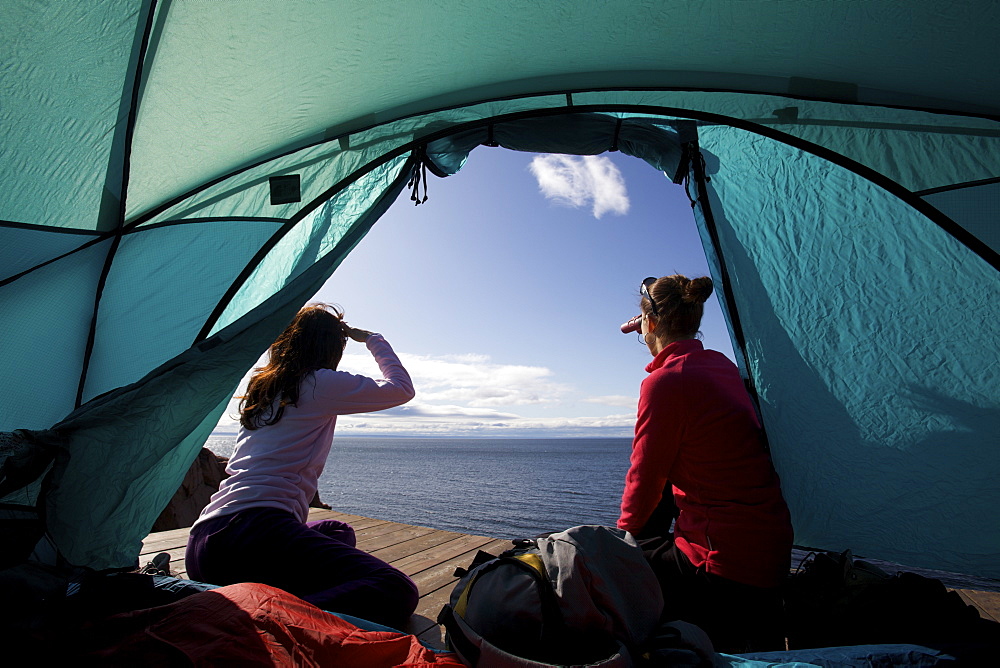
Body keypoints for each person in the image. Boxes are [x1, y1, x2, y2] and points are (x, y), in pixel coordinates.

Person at [185, 303, 418, 628]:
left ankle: (267, 595)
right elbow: (402, 389)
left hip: (205, 544)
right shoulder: (319, 383)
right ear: (330, 347)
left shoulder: (264, 386)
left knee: (337, 531)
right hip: (253, 535)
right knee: (396, 589)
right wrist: (372, 339)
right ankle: (261, 619)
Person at [617, 275, 793, 653]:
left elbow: (643, 478)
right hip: (770, 553)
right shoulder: (722, 367)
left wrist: (617, 545)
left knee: (620, 569)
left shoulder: (665, 382)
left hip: (724, 566)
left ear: (650, 324)